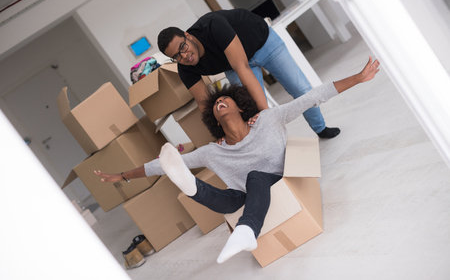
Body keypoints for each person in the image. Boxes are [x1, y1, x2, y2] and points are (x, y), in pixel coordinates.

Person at [95, 57, 380, 263]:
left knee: (256, 176)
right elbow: (160, 165)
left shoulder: (269, 119)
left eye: (225, 100)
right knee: (219, 192)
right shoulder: (212, 151)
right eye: (216, 104)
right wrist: (122, 176)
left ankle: (246, 230)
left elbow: (312, 97)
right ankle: (190, 186)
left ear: (240, 106)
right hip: (241, 196)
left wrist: (358, 77)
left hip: (277, 179)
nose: (220, 102)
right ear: (214, 119)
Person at [157, 8, 340, 139]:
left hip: (263, 43)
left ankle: (321, 129)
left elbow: (242, 67)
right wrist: (221, 135)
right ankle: (276, 148)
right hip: (233, 63)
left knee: (300, 88)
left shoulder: (213, 26)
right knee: (250, 110)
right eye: (176, 56)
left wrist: (267, 114)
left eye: (183, 47)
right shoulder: (185, 67)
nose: (184, 56)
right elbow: (205, 105)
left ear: (188, 36)